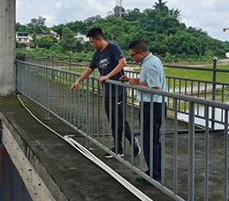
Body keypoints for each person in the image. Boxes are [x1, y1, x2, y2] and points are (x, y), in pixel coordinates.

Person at [69, 28, 140, 159]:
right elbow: (90, 69)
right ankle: (118, 148)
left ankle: (133, 141)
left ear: (99, 39)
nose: (91, 45)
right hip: (107, 92)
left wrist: (107, 76)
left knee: (119, 120)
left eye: (92, 42)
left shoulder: (113, 48)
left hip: (118, 91)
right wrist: (78, 81)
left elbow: (122, 62)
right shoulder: (97, 54)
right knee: (112, 121)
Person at [119, 40, 167, 184]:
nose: (132, 58)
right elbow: (147, 80)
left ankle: (153, 175)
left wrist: (136, 83)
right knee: (153, 141)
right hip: (156, 105)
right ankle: (154, 172)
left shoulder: (150, 64)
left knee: (149, 141)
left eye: (133, 55)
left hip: (152, 106)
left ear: (141, 53)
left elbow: (155, 87)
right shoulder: (153, 60)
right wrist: (131, 79)